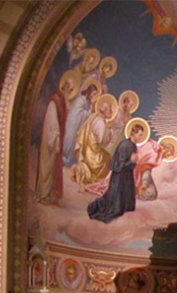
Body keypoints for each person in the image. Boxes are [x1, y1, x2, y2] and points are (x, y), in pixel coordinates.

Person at [35, 70, 79, 205]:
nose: (70, 91)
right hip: (51, 139)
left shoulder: (63, 101)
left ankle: (51, 195)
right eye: (69, 88)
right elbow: (52, 122)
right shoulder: (55, 101)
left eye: (72, 89)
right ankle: (43, 195)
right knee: (46, 167)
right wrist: (55, 140)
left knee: (53, 168)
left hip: (56, 140)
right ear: (64, 86)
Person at [87, 122, 145, 223]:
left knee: (127, 201)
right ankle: (96, 207)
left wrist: (134, 162)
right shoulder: (125, 145)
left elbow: (130, 164)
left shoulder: (133, 146)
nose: (141, 138)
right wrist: (131, 161)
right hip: (119, 177)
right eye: (139, 135)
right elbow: (119, 166)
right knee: (115, 207)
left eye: (142, 136)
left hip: (126, 175)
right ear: (133, 133)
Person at [72, 94, 116, 186]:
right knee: (108, 158)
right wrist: (110, 135)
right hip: (93, 154)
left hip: (89, 150)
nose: (111, 112)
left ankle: (85, 170)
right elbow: (101, 142)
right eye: (109, 110)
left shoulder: (96, 118)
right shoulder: (100, 123)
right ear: (104, 111)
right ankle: (87, 173)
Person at [62, 81, 100, 167]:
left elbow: (86, 116)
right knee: (69, 138)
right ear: (89, 92)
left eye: (95, 95)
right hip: (72, 124)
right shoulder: (80, 100)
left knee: (74, 141)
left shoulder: (87, 102)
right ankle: (65, 156)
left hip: (78, 126)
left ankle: (69, 158)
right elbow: (77, 113)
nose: (93, 96)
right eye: (93, 94)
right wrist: (90, 112)